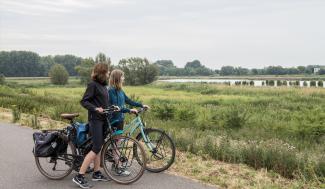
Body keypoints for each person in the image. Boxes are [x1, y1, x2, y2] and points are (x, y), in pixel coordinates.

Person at [73, 63, 111, 189]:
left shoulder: (104, 86)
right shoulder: (93, 85)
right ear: (101, 73)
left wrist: (111, 108)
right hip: (95, 120)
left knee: (99, 147)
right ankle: (79, 176)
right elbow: (84, 101)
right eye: (107, 72)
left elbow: (103, 102)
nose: (108, 74)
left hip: (103, 119)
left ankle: (96, 172)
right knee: (96, 148)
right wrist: (95, 108)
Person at [108, 69, 149, 175]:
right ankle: (118, 168)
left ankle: (115, 163)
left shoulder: (120, 90)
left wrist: (141, 105)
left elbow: (128, 101)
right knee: (116, 144)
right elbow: (116, 107)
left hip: (120, 119)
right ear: (117, 78)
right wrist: (129, 110)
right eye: (122, 76)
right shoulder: (111, 90)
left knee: (118, 142)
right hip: (114, 120)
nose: (124, 78)